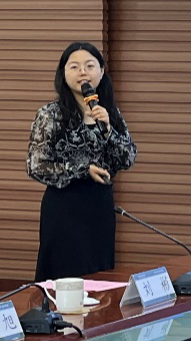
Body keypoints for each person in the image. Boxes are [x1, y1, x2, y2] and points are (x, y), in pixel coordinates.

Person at [28, 42, 137, 281]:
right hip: (64, 207)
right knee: (63, 278)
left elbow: (127, 158)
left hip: (99, 207)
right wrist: (83, 170)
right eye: (74, 67)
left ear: (102, 71)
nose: (82, 72)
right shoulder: (50, 115)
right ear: (63, 73)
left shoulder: (109, 113)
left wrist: (108, 130)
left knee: (99, 277)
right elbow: (36, 166)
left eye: (89, 66)